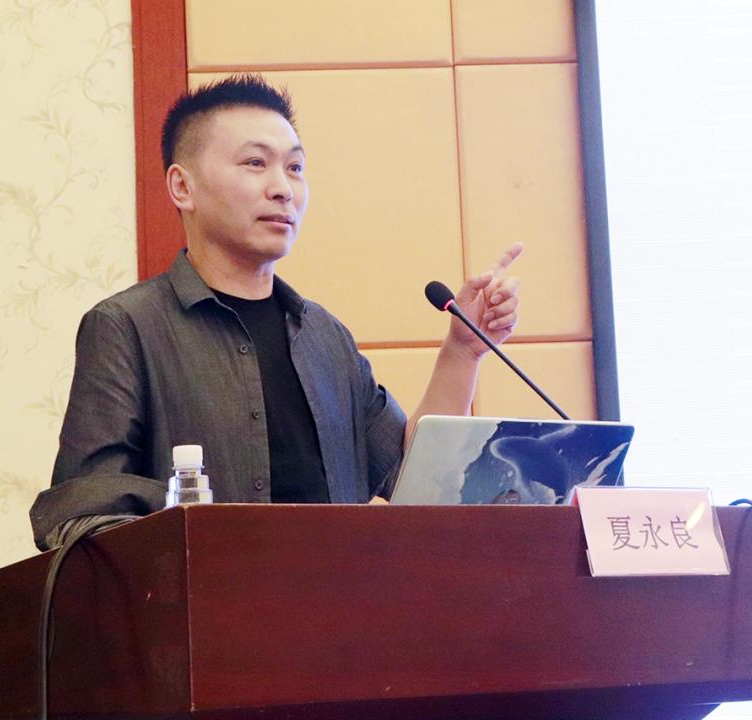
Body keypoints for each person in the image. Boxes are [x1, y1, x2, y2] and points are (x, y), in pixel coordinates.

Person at [28, 75, 522, 550]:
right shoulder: (127, 328)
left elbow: (417, 480)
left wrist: (463, 352)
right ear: (182, 187)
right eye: (255, 163)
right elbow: (82, 516)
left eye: (295, 167)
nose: (283, 188)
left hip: (336, 605)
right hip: (206, 606)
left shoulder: (326, 337)